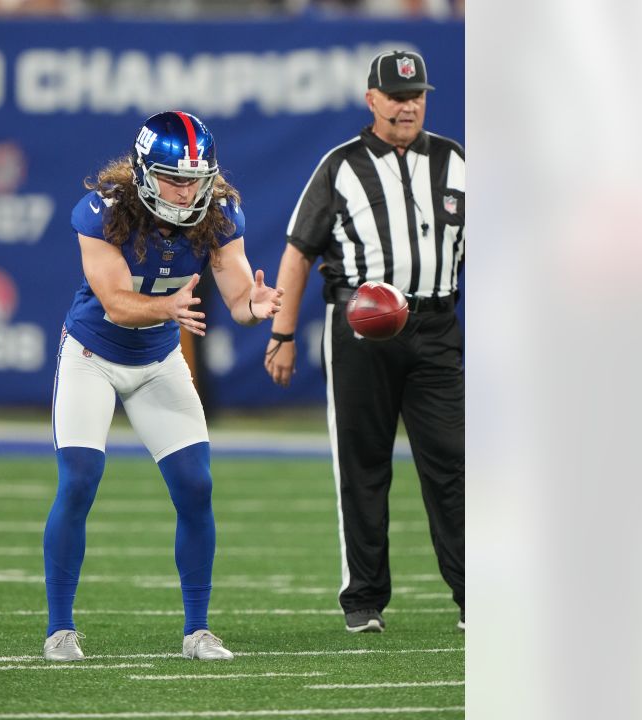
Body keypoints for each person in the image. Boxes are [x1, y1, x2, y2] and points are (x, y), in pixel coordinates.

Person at [43, 110, 284, 661]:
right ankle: (60, 629)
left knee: (196, 487)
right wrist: (167, 308)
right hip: (93, 355)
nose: (185, 191)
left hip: (158, 359)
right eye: (174, 178)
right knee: (79, 479)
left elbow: (239, 293)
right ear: (145, 173)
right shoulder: (104, 210)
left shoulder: (220, 214)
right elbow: (115, 303)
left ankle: (197, 630)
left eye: (194, 179)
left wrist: (255, 305)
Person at [264, 50, 465, 633]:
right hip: (361, 328)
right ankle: (364, 599)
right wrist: (282, 332)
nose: (408, 106)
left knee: (453, 462)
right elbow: (299, 251)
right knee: (363, 464)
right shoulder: (340, 165)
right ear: (371, 98)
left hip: (436, 327)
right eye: (397, 96)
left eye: (417, 95)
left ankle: (473, 595)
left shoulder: (455, 161)